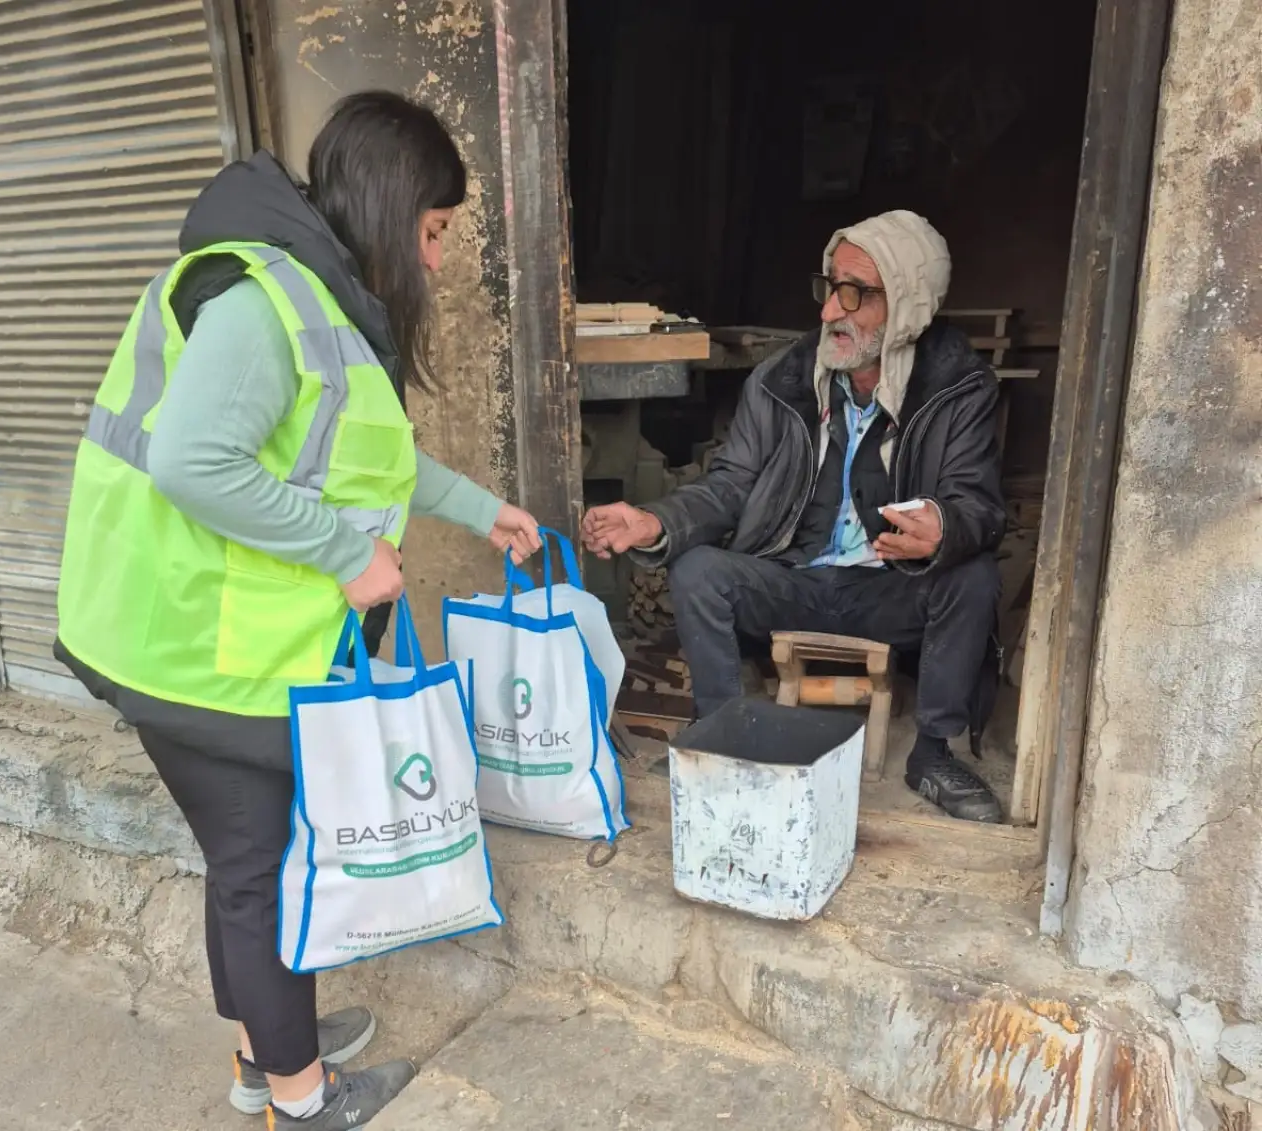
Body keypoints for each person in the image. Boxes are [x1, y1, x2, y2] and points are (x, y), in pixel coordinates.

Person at [54, 91, 540, 1127]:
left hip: (196, 641)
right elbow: (194, 461)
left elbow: (374, 460)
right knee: (261, 873)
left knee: (247, 865)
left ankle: (261, 1052)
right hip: (191, 651)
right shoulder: (261, 298)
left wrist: (486, 511)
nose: (438, 263)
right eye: (434, 233)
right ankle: (301, 1098)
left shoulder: (311, 299)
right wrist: (344, 555)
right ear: (388, 205)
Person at [582, 210, 1005, 824]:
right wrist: (657, 522)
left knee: (974, 575)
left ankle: (934, 754)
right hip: (794, 577)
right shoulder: (783, 379)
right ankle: (723, 733)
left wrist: (944, 529)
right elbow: (730, 484)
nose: (833, 309)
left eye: (856, 294)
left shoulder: (957, 387)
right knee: (699, 569)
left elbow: (978, 504)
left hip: (894, 590)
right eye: (831, 286)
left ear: (908, 303)